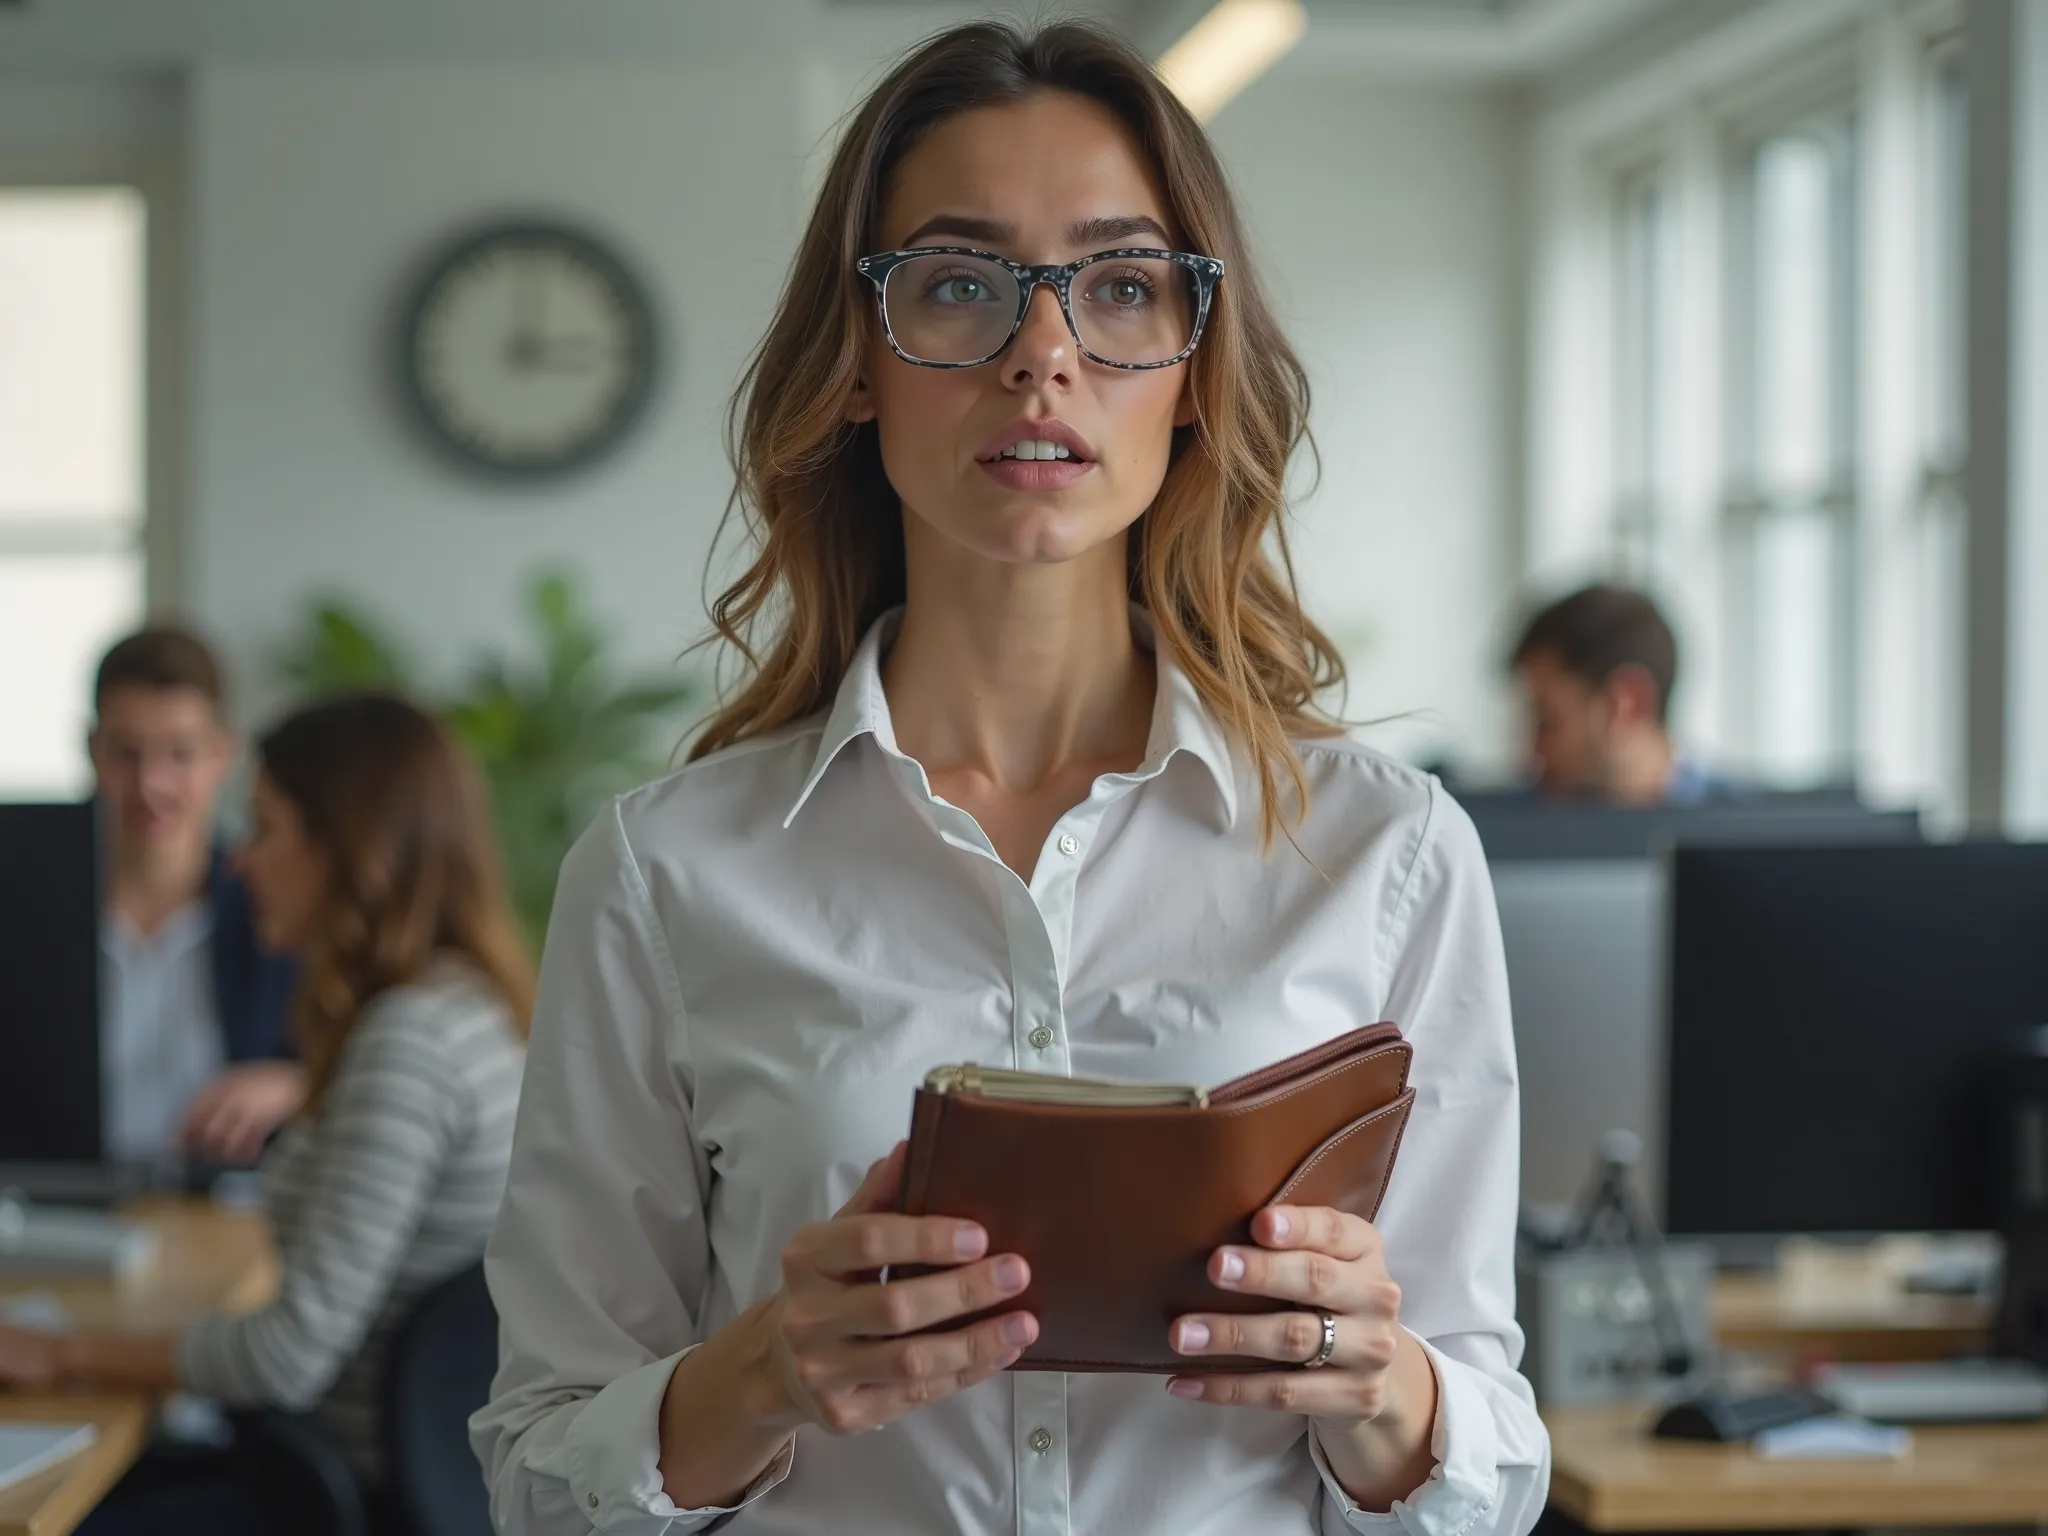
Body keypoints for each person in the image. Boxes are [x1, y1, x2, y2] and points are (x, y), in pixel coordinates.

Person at [472, 21, 1547, 1536]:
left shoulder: (1387, 851)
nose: (1044, 353)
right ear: (856, 364)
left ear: (1190, 371)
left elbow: (1492, 1468)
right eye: (961, 285)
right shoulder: (665, 873)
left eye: (1120, 287)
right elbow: (537, 1471)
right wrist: (766, 1372)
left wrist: (1385, 1392)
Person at [0, 692, 531, 1534]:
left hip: (327, 1495)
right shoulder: (466, 1009)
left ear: (351, 852)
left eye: (266, 830)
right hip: (360, 1471)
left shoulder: (409, 1043)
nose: (240, 862)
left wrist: (62, 1353)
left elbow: (286, 1356)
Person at [88, 627, 301, 1168]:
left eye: (180, 753)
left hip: (231, 1212)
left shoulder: (277, 906)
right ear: (93, 750)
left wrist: (296, 1085)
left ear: (222, 754)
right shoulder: (33, 910)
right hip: (63, 1211)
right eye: (125, 753)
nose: (150, 783)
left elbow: (353, 1061)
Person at [1508, 583, 1743, 806]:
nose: (1531, 754)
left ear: (1627, 706)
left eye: (1547, 719)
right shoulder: (1501, 830)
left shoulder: (1748, 835)